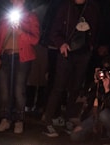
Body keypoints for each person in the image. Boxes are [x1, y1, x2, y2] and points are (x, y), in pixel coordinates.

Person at [41, 0, 100, 137]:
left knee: (76, 88)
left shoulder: (92, 8)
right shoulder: (65, 7)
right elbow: (54, 30)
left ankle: (69, 119)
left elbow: (96, 28)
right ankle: (48, 121)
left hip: (83, 52)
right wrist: (61, 44)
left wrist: (91, 45)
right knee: (58, 87)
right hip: (67, 52)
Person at [0, 0, 40, 134]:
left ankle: (19, 120)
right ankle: (5, 119)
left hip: (22, 58)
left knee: (18, 89)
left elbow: (35, 40)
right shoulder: (5, 18)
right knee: (4, 90)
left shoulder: (30, 17)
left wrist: (21, 32)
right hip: (5, 56)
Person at [70, 53, 110, 145]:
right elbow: (92, 98)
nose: (108, 72)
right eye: (105, 69)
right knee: (75, 136)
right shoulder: (105, 78)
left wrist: (107, 89)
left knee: (104, 114)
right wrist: (96, 83)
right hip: (99, 114)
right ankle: (97, 135)